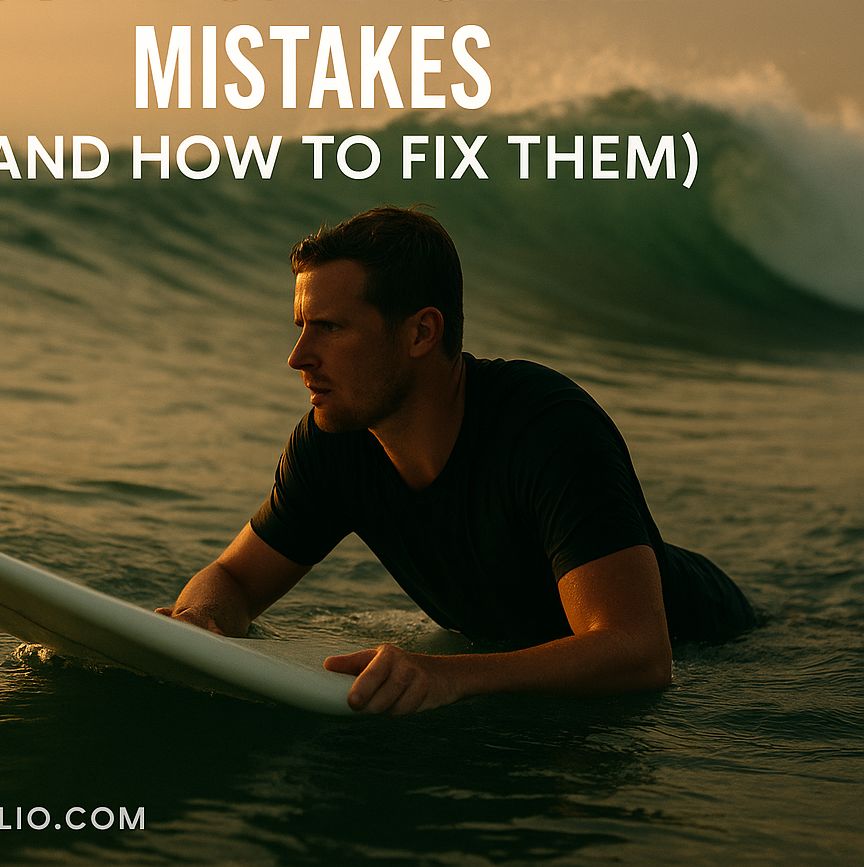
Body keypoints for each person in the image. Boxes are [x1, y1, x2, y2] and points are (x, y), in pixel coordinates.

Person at [156, 206, 755, 714]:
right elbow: (233, 578)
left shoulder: (548, 427)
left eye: (330, 327)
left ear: (421, 334)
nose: (298, 357)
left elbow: (641, 652)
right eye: (301, 327)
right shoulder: (334, 443)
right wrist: (203, 621)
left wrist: (448, 675)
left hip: (720, 650)